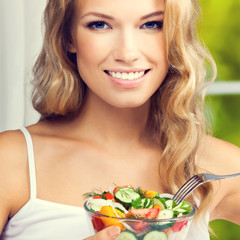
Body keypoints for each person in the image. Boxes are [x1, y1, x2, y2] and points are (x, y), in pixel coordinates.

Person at [0, 0, 239, 239]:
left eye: (152, 24)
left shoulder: (215, 166)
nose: (127, 54)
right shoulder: (11, 160)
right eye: (100, 24)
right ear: (68, 38)